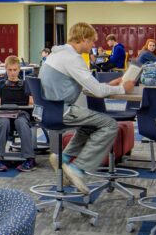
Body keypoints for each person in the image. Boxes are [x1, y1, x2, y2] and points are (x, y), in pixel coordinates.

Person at [39, 22, 135, 193]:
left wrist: (105, 85)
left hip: (48, 111)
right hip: (63, 110)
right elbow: (97, 91)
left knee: (90, 123)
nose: (94, 45)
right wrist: (122, 88)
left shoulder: (57, 54)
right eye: (91, 41)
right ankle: (77, 169)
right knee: (110, 125)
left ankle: (65, 157)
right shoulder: (73, 58)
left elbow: (86, 85)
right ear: (82, 39)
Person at [0, 56, 36, 172]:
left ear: (19, 70)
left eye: (15, 70)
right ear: (6, 69)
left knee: (22, 122)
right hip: (3, 114)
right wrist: (6, 99)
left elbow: (32, 101)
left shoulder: (25, 84)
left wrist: (17, 99)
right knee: (3, 122)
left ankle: (29, 159)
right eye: (10, 70)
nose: (12, 73)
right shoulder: (0, 84)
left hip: (21, 114)